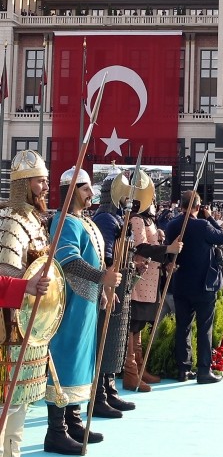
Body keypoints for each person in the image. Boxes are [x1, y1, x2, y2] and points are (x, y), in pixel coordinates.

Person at [45, 167, 122, 455]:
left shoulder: (83, 221)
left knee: (82, 360)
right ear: (71, 191)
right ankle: (56, 431)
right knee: (65, 360)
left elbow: (95, 257)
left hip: (87, 301)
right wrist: (102, 278)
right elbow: (69, 261)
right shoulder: (63, 221)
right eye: (85, 188)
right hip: (70, 304)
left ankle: (73, 420)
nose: (91, 193)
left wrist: (101, 289)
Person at [0, 150, 51, 457]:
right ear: (22, 184)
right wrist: (27, 288)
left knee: (21, 398)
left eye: (45, 180)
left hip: (30, 326)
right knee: (3, 401)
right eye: (38, 180)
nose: (44, 186)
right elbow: (6, 273)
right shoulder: (13, 221)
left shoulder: (35, 220)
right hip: (7, 327)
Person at [92, 171, 143, 411]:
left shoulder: (115, 219)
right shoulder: (105, 219)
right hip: (110, 285)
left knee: (114, 340)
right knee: (106, 338)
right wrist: (109, 285)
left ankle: (109, 390)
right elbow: (106, 256)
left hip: (120, 282)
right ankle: (100, 395)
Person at [165, 191, 223, 384]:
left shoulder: (172, 225)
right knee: (204, 328)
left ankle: (183, 370)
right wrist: (210, 217)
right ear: (199, 207)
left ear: (181, 205)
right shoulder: (203, 225)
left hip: (181, 283)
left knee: (183, 327)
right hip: (203, 286)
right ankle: (203, 370)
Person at [129, 199, 183, 389]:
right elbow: (141, 247)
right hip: (140, 280)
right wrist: (168, 249)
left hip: (152, 281)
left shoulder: (149, 221)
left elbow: (153, 247)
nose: (154, 202)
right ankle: (131, 372)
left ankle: (141, 368)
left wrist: (167, 261)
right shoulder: (136, 219)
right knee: (133, 325)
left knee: (140, 326)